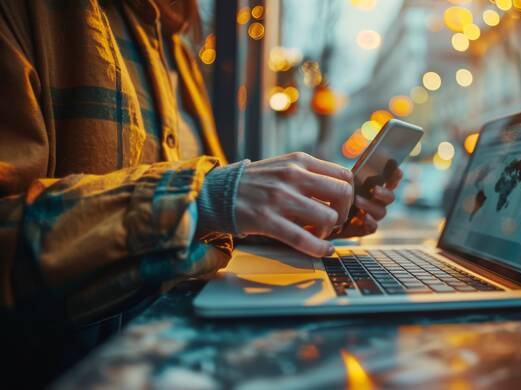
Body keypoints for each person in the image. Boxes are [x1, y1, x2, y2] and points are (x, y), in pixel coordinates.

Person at [0, 0, 400, 385]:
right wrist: (208, 198)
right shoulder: (29, 13)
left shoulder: (177, 47)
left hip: (177, 359)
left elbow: (194, 221)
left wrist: (280, 216)